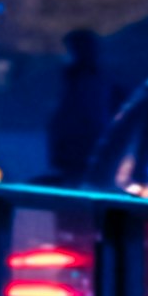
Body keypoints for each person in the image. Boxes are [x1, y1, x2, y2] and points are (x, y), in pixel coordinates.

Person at [44, 26, 120, 185]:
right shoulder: (74, 81)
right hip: (76, 148)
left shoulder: (91, 82)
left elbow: (91, 116)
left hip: (83, 147)